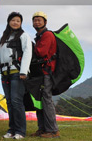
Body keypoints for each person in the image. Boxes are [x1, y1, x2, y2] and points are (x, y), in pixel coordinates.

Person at [0, 11, 32, 139]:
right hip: (5, 74)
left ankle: (20, 132)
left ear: (21, 23)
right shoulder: (3, 37)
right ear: (9, 21)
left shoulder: (24, 35)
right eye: (13, 20)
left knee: (16, 101)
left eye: (18, 21)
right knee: (9, 102)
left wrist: (24, 71)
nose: (15, 22)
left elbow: (27, 53)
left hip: (18, 74)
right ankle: (11, 130)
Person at [30, 11, 60, 139]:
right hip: (41, 73)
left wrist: (30, 47)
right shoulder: (39, 36)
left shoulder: (47, 35)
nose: (37, 22)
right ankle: (42, 129)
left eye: (39, 20)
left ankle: (53, 131)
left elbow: (41, 52)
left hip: (46, 72)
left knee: (46, 100)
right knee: (40, 100)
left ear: (45, 22)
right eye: (35, 20)